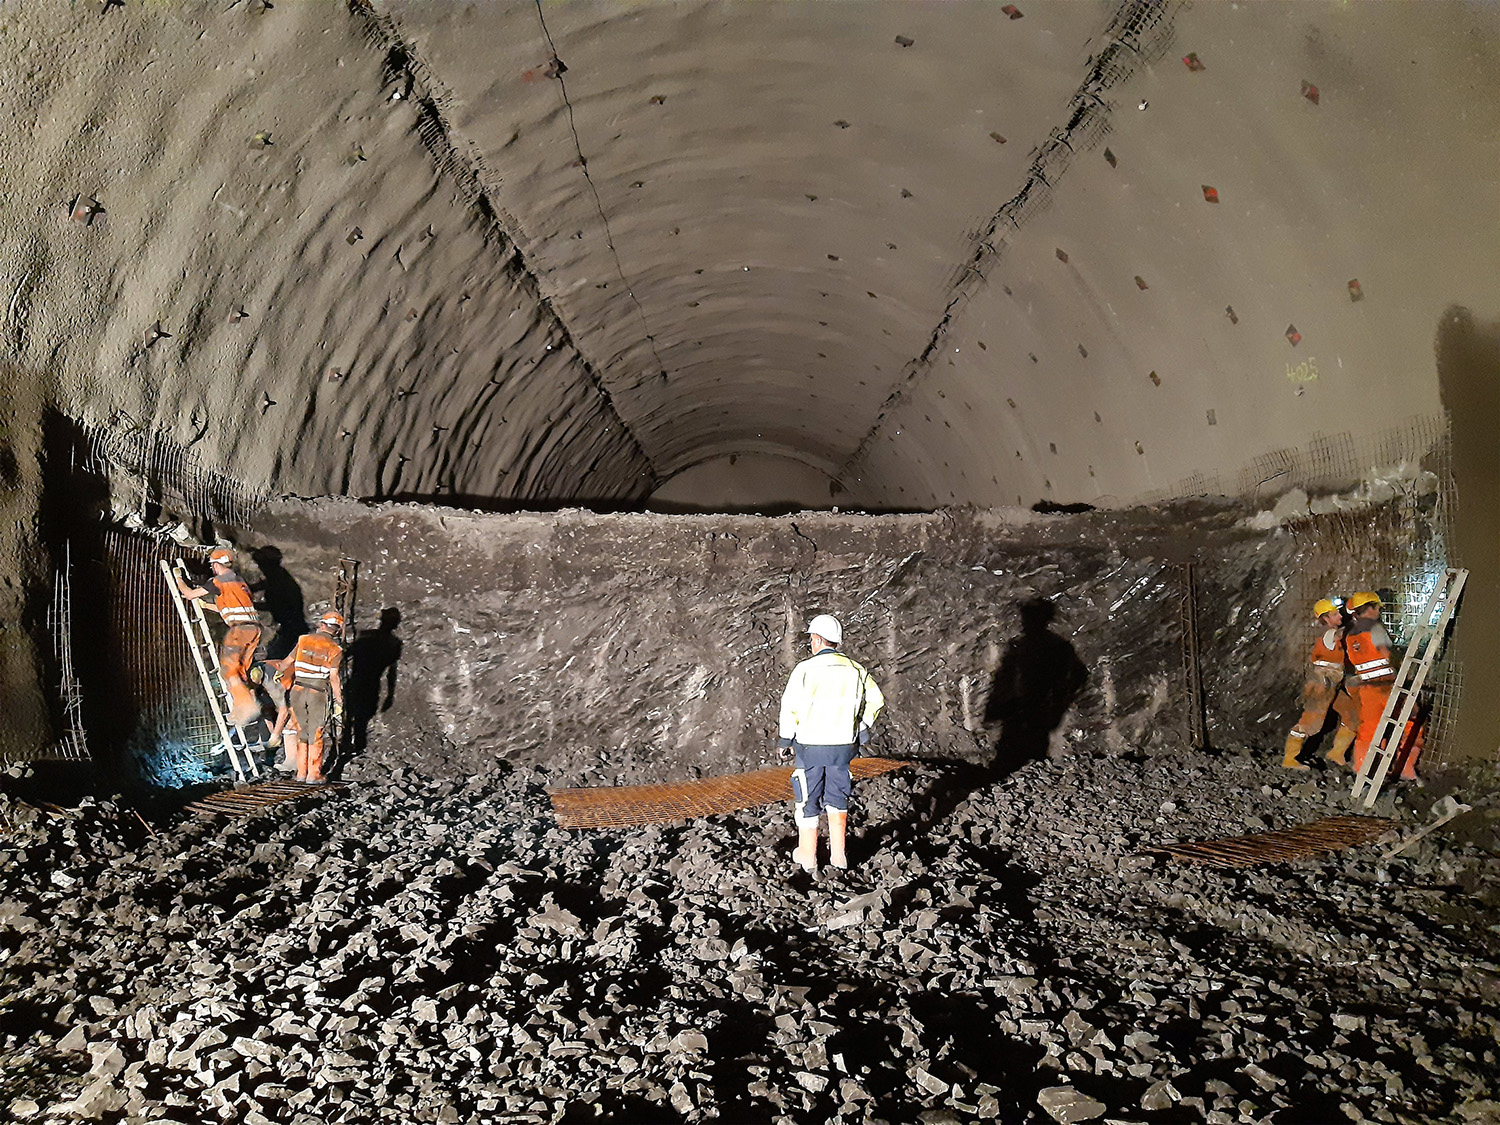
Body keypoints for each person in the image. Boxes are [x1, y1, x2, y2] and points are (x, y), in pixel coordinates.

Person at [777, 613, 884, 873]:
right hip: (843, 746)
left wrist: (785, 740)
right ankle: (839, 857)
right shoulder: (856, 669)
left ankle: (808, 857)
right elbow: (876, 700)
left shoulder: (804, 669)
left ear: (816, 639)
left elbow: (789, 707)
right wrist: (861, 726)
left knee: (807, 797)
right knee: (838, 796)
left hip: (810, 747)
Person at [176, 547, 263, 735]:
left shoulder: (218, 581)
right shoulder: (240, 582)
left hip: (239, 629)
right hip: (253, 629)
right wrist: (207, 605)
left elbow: (189, 594)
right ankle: (241, 708)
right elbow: (231, 607)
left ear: (216, 565)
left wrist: (179, 579)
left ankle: (248, 706)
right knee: (241, 672)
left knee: (228, 668)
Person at [1283, 597, 1359, 770]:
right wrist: (1356, 622)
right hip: (1322, 685)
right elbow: (1339, 634)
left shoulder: (1331, 632)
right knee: (1311, 722)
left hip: (1333, 684)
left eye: (1339, 612)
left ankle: (1336, 753)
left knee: (1352, 715)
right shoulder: (1326, 633)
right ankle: (1290, 758)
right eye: (1335, 614)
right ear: (1325, 618)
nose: (1339, 616)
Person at [285, 611, 346, 784]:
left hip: (297, 690)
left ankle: (301, 774)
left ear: (322, 624)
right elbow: (334, 677)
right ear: (337, 630)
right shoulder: (335, 649)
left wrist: (279, 674)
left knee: (301, 732)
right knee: (316, 732)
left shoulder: (303, 640)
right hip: (317, 693)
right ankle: (314, 775)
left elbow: (285, 663)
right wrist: (338, 700)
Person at [1343, 591, 1396, 773]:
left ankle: (1363, 768)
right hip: (1385, 685)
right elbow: (1387, 654)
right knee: (1408, 721)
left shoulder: (1350, 635)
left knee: (1369, 728)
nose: (1379, 612)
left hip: (1365, 687)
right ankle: (1405, 769)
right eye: (1377, 608)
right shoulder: (1376, 628)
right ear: (1371, 608)